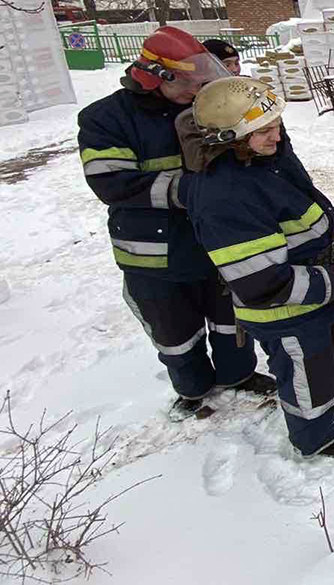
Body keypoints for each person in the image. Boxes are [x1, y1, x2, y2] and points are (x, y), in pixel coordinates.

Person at [77, 27, 276, 418]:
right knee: (175, 331)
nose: (197, 89)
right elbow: (110, 182)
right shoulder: (105, 118)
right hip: (154, 252)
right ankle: (192, 390)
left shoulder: (203, 107)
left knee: (230, 317)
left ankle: (238, 374)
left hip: (212, 240)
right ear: (155, 76)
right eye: (188, 82)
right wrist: (189, 190)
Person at [185, 76, 334, 458]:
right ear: (229, 138)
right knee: (306, 371)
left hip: (313, 291)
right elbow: (262, 282)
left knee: (332, 352)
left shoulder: (265, 160)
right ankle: (316, 437)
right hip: (284, 309)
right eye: (264, 131)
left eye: (277, 125)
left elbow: (299, 204)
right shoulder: (225, 196)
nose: (277, 136)